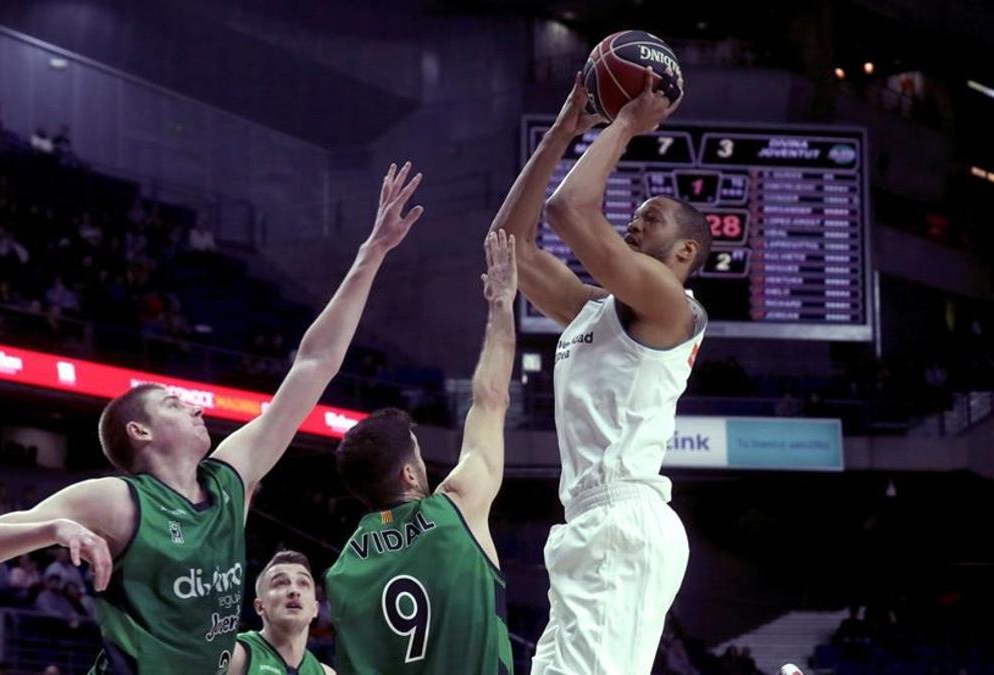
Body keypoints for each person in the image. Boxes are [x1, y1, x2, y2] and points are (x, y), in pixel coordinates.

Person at [0, 163, 425, 674]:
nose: (196, 407)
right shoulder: (116, 500)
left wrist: (370, 254)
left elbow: (314, 365)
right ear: (140, 431)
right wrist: (55, 528)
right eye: (174, 404)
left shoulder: (229, 481)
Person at [494, 72, 709, 674]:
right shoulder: (593, 310)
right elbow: (507, 244)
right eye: (635, 216)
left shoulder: (672, 306)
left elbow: (568, 210)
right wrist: (562, 130)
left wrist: (625, 124)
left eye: (653, 218)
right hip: (587, 523)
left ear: (686, 252)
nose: (636, 224)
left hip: (624, 519)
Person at [326, 230, 518, 673]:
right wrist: (501, 304)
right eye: (417, 453)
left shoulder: (341, 573)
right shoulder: (455, 510)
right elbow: (491, 398)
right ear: (409, 476)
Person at [228, 550, 334, 675]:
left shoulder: (326, 673)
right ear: (260, 607)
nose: (294, 590)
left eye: (303, 583)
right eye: (280, 583)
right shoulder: (235, 654)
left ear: (315, 609)